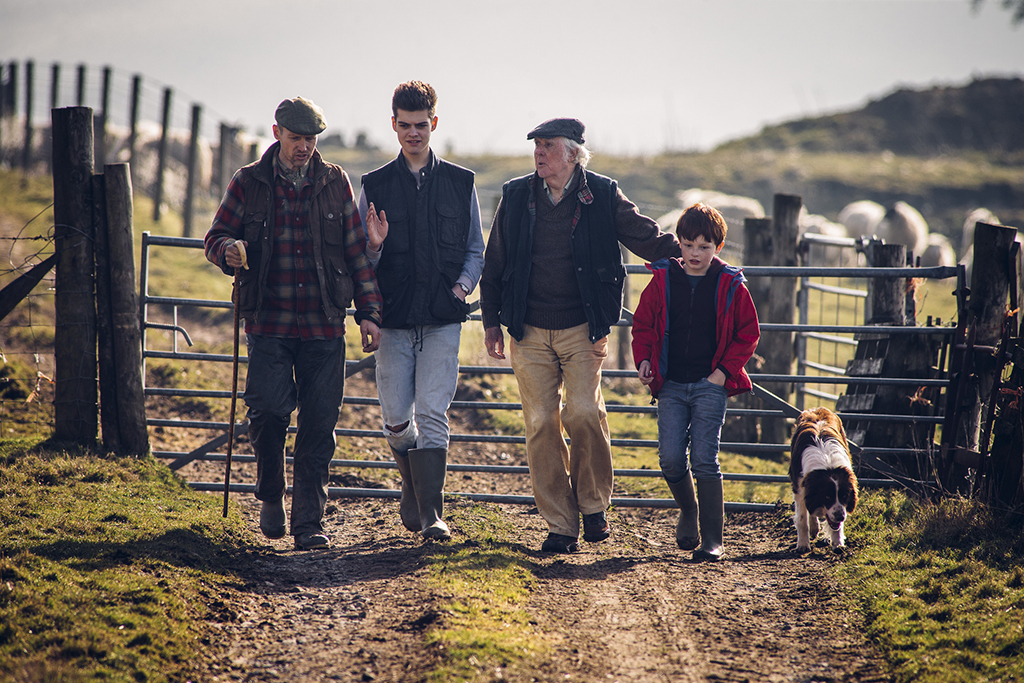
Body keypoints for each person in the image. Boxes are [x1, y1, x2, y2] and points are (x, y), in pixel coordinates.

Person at [479, 117, 681, 553]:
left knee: (585, 412)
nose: (539, 153)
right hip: (528, 330)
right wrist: (492, 321)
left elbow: (646, 237)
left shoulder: (603, 194)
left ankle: (593, 506)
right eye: (536, 146)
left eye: (548, 146)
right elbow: (494, 261)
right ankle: (560, 524)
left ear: (573, 154)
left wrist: (693, 254)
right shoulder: (516, 195)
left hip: (582, 329)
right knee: (539, 423)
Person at [204, 97, 382, 551]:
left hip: (324, 323)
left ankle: (309, 524)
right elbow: (215, 236)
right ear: (277, 132)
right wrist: (227, 250)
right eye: (296, 138)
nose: (304, 147)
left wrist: (369, 313)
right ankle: (270, 494)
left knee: (320, 424)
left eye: (311, 139)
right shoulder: (249, 181)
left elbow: (356, 252)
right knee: (267, 412)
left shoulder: (335, 181)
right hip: (268, 320)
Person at [359, 81, 484, 541]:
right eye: (405, 125)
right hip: (392, 320)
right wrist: (373, 246)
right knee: (396, 419)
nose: (414, 133)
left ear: (435, 122)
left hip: (443, 318)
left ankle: (432, 513)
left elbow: (475, 249)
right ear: (393, 125)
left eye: (422, 125)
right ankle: (412, 487)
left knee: (433, 413)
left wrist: (460, 288)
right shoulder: (374, 186)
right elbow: (360, 261)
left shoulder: (460, 181)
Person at [631, 203, 760, 561]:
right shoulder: (662, 280)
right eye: (688, 245)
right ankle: (689, 511)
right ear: (680, 243)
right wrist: (644, 361)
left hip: (710, 384)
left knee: (705, 459)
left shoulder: (731, 284)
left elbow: (748, 333)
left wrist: (722, 374)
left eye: (704, 247)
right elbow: (642, 326)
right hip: (670, 384)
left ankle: (713, 540)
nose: (695, 254)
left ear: (718, 248)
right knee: (671, 459)